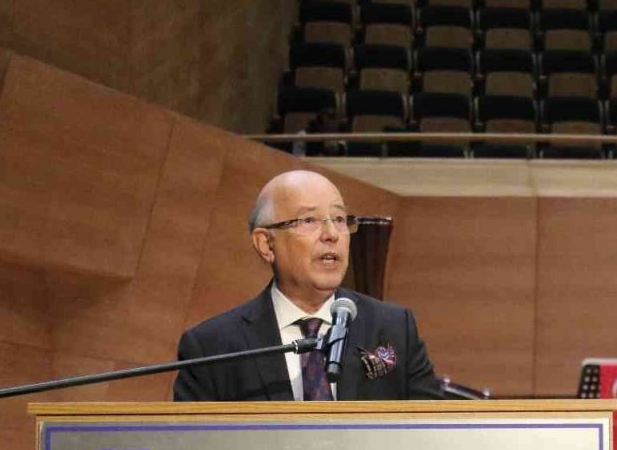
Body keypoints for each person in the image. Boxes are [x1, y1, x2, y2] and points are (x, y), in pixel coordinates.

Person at [174, 170, 443, 401]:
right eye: (309, 221)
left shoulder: (394, 327)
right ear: (266, 244)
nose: (331, 235)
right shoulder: (212, 348)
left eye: (339, 219)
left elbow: (434, 433)